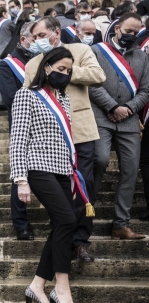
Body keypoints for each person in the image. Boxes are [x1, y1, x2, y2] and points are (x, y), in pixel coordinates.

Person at [23, 16, 106, 262]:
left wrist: (65, 69)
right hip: (48, 139)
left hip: (79, 133)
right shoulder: (32, 64)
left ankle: (81, 241)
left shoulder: (80, 50)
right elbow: (27, 98)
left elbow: (98, 76)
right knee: (59, 192)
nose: (37, 41)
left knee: (82, 187)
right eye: (34, 38)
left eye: (41, 36)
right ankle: (63, 235)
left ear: (56, 33)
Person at [11, 47, 84, 303]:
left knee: (61, 225)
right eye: (60, 69)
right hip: (37, 168)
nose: (64, 74)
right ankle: (61, 287)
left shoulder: (64, 100)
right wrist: (20, 179)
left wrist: (72, 174)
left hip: (62, 169)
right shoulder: (25, 95)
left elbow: (66, 140)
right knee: (66, 220)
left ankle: (37, 284)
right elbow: (18, 140)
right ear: (47, 68)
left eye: (68, 70)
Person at [90, 12, 149, 240]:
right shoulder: (96, 51)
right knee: (99, 159)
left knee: (131, 170)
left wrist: (129, 109)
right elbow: (92, 85)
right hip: (102, 117)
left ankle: (120, 224)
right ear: (116, 29)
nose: (131, 36)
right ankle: (86, 213)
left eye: (136, 33)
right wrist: (113, 107)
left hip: (129, 120)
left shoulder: (142, 58)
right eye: (128, 31)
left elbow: (146, 90)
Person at [0, 22, 37, 240]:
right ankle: (20, 223)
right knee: (20, 175)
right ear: (23, 39)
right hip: (22, 125)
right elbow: (11, 97)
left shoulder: (44, 60)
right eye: (36, 37)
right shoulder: (8, 65)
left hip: (47, 126)